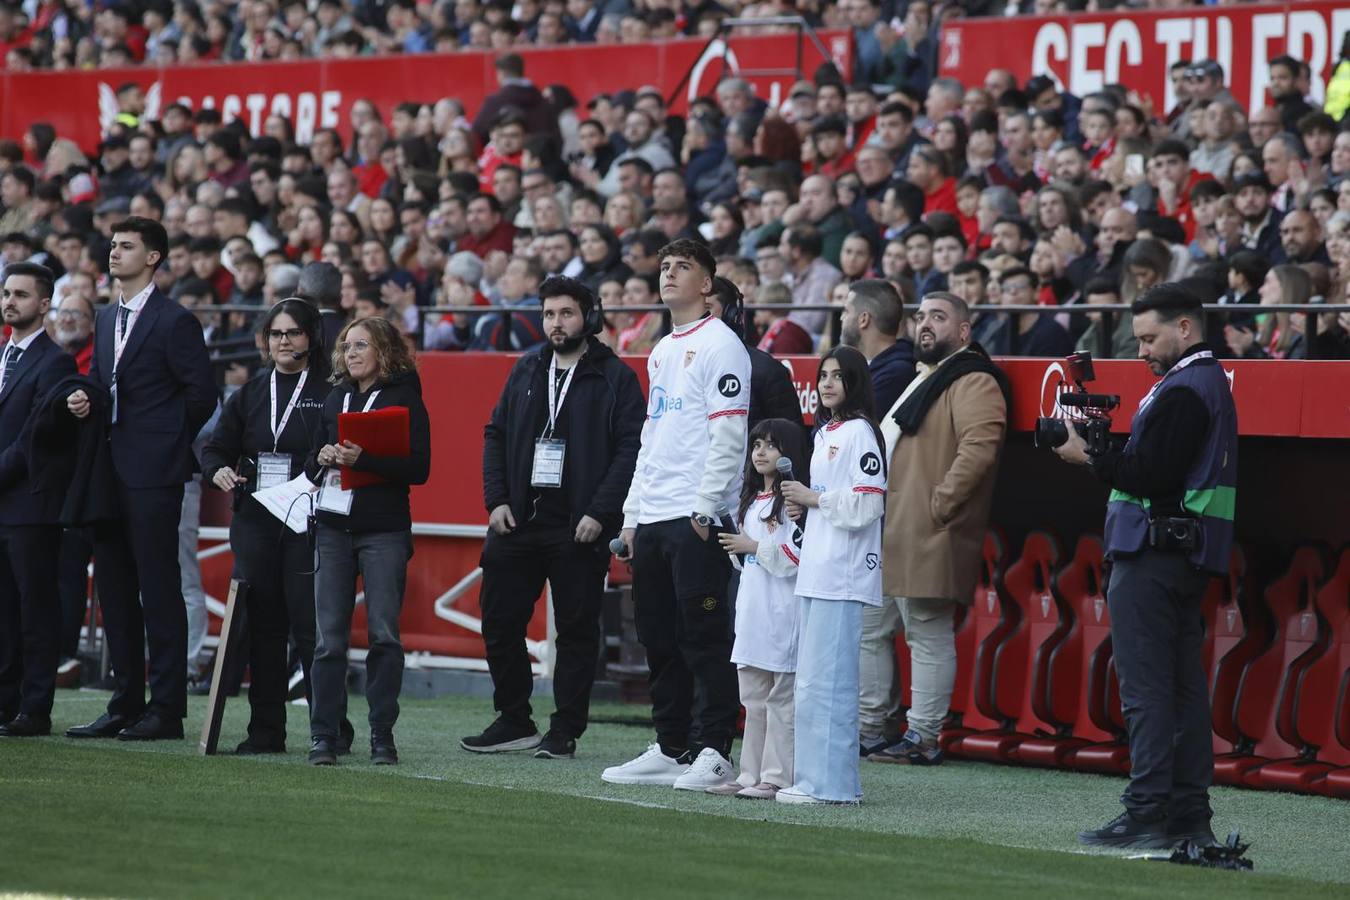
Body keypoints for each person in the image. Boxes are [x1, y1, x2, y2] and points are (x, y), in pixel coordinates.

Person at [1054, 283, 1237, 851]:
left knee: (1149, 692)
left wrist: (1087, 454)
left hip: (1155, 554)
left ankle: (1146, 812)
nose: (1142, 351)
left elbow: (1148, 475)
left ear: (1185, 328)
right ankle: (1187, 816)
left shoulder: (1186, 388)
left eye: (1150, 337)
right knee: (1181, 691)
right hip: (1182, 554)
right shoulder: (1201, 383)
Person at [465, 276, 643, 759]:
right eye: (548, 314)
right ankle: (513, 718)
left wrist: (601, 513)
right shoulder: (526, 367)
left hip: (579, 528)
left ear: (589, 314)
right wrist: (496, 499)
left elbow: (631, 451)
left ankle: (564, 730)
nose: (556, 323)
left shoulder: (615, 377)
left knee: (577, 631)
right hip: (517, 522)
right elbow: (494, 434)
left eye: (566, 313)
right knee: (498, 620)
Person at [602, 239, 750, 791]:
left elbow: (730, 432)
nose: (668, 274)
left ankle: (714, 750)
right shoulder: (662, 349)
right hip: (656, 513)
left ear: (707, 283)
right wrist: (632, 515)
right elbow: (651, 436)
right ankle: (670, 745)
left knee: (704, 636)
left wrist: (708, 507)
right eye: (663, 266)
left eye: (682, 267)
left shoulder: (721, 344)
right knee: (658, 637)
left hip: (695, 515)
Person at [64, 217, 216, 742]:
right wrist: (84, 397)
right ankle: (125, 701)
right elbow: (107, 381)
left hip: (154, 472)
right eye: (112, 245)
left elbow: (202, 395)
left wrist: (165, 444)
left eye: (126, 246)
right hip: (105, 467)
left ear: (153, 257)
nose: (114, 253)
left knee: (158, 586)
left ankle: (167, 708)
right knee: (114, 588)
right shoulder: (105, 319)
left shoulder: (176, 321)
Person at [864, 292, 1009, 764]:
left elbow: (979, 451)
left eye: (939, 317)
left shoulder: (973, 379)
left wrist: (938, 507)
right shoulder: (927, 376)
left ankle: (923, 736)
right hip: (893, 529)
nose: (925, 324)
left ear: (964, 332)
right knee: (868, 628)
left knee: (926, 633)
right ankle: (870, 728)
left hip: (927, 528)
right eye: (922, 316)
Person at [201, 298, 345, 755]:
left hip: (307, 519)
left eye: (293, 334)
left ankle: (331, 729)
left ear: (312, 338)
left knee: (309, 627)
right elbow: (213, 447)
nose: (284, 342)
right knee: (262, 625)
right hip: (256, 520)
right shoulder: (251, 390)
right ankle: (266, 730)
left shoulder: (330, 389)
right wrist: (218, 471)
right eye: (276, 334)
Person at [306, 316, 431, 766]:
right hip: (333, 527)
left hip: (383, 528)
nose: (351, 352)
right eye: (347, 345)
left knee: (384, 635)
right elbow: (309, 466)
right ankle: (325, 735)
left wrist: (368, 459)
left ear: (383, 351)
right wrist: (319, 457)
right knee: (329, 640)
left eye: (361, 345)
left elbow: (420, 469)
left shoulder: (404, 398)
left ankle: (383, 734)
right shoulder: (334, 396)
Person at [776, 346, 886, 805]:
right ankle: (810, 779)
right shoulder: (825, 433)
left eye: (838, 376)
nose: (826, 383)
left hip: (842, 572)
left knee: (834, 682)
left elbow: (868, 503)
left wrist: (814, 498)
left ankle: (835, 786)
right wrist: (805, 503)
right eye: (822, 375)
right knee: (811, 681)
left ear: (855, 381)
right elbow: (828, 495)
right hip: (817, 568)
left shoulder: (860, 432)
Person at [0, 263, 78, 736]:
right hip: (3, 506)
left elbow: (35, 439)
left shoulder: (56, 362)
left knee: (35, 610)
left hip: (31, 505)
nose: (10, 302)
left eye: (21, 295)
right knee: (3, 612)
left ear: (45, 304)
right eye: (7, 293)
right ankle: (5, 702)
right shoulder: (0, 354)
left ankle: (35, 709)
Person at [713, 418, 809, 800]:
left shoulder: (795, 503)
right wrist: (739, 547)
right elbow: (745, 561)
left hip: (783, 612)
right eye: (756, 445)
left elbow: (795, 556)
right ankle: (749, 773)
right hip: (752, 612)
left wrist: (752, 546)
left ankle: (777, 776)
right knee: (752, 700)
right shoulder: (750, 501)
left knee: (780, 700)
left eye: (771, 445)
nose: (761, 452)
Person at [707, 277, 803, 430]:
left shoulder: (767, 370)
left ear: (731, 314)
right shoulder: (675, 366)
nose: (696, 317)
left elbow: (791, 441)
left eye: (707, 308)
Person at [839, 279, 915, 419]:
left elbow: (850, 426)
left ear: (864, 319)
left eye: (846, 311)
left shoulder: (897, 373)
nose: (841, 318)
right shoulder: (857, 366)